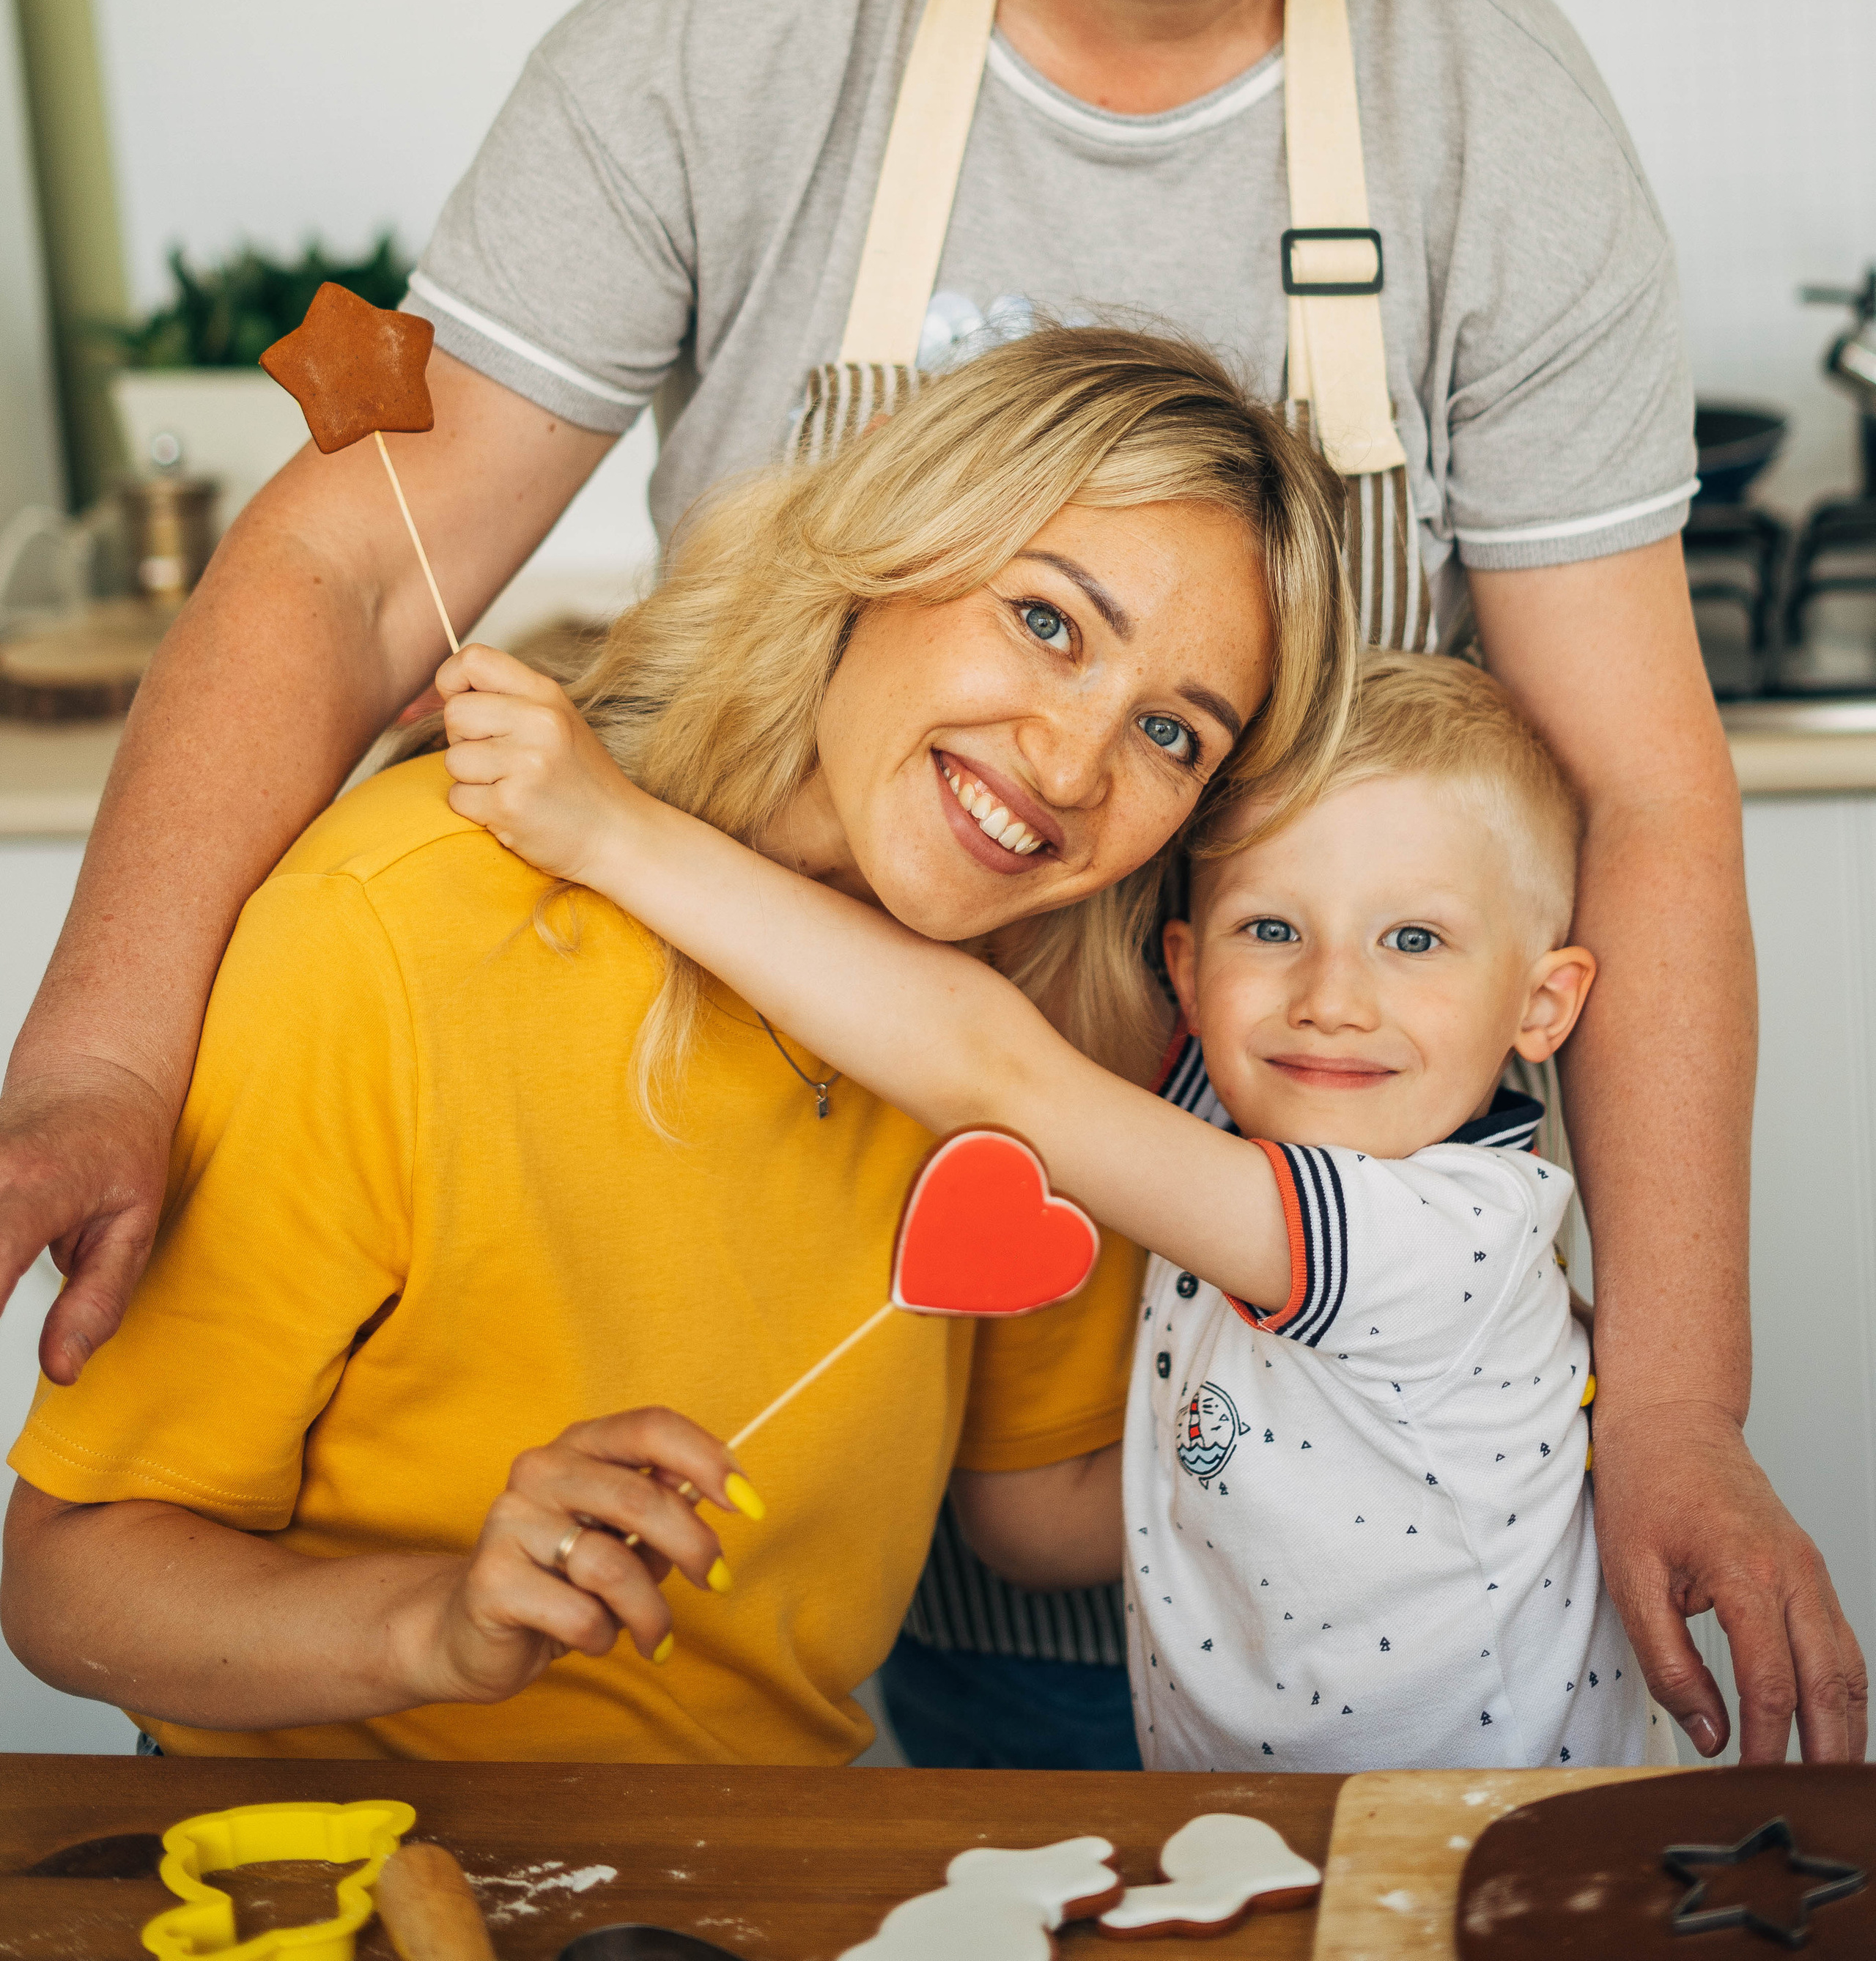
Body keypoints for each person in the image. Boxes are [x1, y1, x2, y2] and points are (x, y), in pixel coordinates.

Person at [1, 0, 1861, 1768]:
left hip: (1260, 1369)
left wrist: (1669, 1407)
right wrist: (111, 1050)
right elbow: (352, 556)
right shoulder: (746, 14)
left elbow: (1637, 788)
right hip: (785, 1291)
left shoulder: (1497, 129)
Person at [0, 335, 1348, 1762]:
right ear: (883, 553)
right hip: (331, 1864)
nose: (1074, 768)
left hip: (752, 1871)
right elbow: (66, 1576)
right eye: (1046, 623)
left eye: (1166, 734)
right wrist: (435, 1623)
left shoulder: (1057, 1043)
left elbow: (1034, 1510)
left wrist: (1405, 1396)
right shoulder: (396, 925)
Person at [416, 637, 1679, 1771]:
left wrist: (608, 829)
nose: (1330, 996)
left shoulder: (1436, 1234)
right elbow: (1056, 1527)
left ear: (1543, 1007)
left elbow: (991, 1067)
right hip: (1273, 1840)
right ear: (1187, 969)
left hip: (1495, 1856)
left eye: (1415, 942)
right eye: (1272, 929)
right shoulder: (1230, 1106)